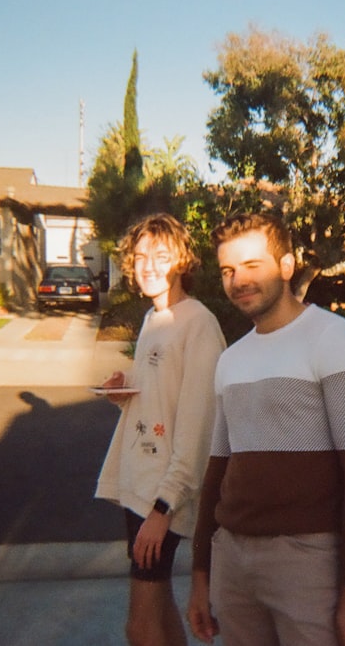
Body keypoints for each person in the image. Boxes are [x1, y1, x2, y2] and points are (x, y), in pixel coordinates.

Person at [187, 212, 345, 646]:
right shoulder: (232, 359)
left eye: (251, 265)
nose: (238, 279)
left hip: (309, 560)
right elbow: (217, 473)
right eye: (228, 270)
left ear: (286, 265)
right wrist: (202, 573)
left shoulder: (337, 341)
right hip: (233, 562)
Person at [95, 212, 226, 646]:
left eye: (161, 255)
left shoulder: (198, 324)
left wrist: (162, 510)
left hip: (163, 496)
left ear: (183, 260)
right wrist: (124, 396)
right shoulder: (153, 320)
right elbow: (160, 407)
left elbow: (198, 426)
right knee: (158, 607)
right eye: (140, 256)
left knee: (140, 624)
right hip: (140, 484)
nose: (148, 264)